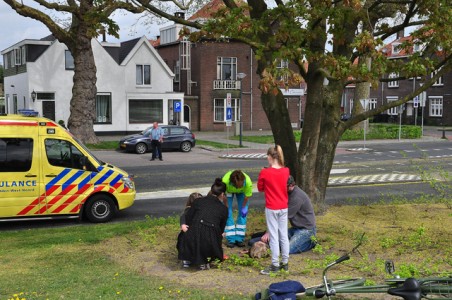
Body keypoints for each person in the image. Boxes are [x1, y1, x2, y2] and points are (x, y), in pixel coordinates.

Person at [249, 175, 317, 254]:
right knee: (252, 242)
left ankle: (310, 242)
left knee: (287, 250)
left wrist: (269, 233)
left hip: (306, 230)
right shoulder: (285, 193)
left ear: (291, 185)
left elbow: (282, 218)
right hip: (295, 228)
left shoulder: (297, 197)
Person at [177, 178, 228, 270]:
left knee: (183, 235)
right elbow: (221, 229)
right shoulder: (224, 209)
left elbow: (188, 218)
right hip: (211, 238)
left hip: (194, 233)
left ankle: (187, 258)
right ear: (222, 194)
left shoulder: (198, 201)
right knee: (210, 240)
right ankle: (204, 261)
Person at [257, 145, 290, 275]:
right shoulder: (286, 170)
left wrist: (263, 175)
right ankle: (285, 263)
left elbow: (260, 188)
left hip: (271, 206)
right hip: (283, 206)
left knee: (274, 236)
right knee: (284, 235)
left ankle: (275, 264)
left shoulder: (265, 172)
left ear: (270, 157)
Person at [222, 170, 253, 248]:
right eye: (237, 186)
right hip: (229, 191)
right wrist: (226, 208)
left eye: (241, 185)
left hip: (242, 193)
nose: (239, 187)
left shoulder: (248, 182)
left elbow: (247, 197)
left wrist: (243, 208)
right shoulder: (225, 182)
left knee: (243, 215)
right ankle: (231, 239)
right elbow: (224, 197)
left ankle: (239, 238)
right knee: (228, 214)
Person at [177, 192, 203, 268]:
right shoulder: (187, 210)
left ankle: (200, 259)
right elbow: (183, 222)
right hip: (190, 232)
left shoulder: (203, 211)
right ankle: (187, 258)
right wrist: (184, 226)